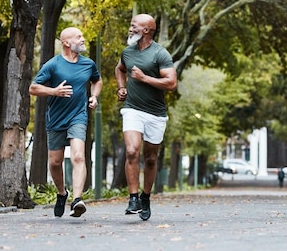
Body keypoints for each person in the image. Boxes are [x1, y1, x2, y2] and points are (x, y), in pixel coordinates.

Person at [29, 27, 102, 218]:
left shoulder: (88, 64)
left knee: (78, 156)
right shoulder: (53, 65)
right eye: (79, 37)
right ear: (66, 43)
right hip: (56, 118)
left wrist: (94, 96)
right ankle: (62, 193)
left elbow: (97, 80)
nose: (83, 39)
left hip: (78, 116)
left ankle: (77, 200)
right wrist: (54, 91)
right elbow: (33, 88)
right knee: (55, 162)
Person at [115, 13, 177, 221]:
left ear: (146, 31)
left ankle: (146, 197)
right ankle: (133, 197)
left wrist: (144, 78)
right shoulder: (127, 52)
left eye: (134, 26)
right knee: (132, 151)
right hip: (133, 109)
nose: (130, 29)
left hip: (156, 113)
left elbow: (171, 83)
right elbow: (119, 69)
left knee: (150, 158)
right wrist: (122, 88)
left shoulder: (160, 54)